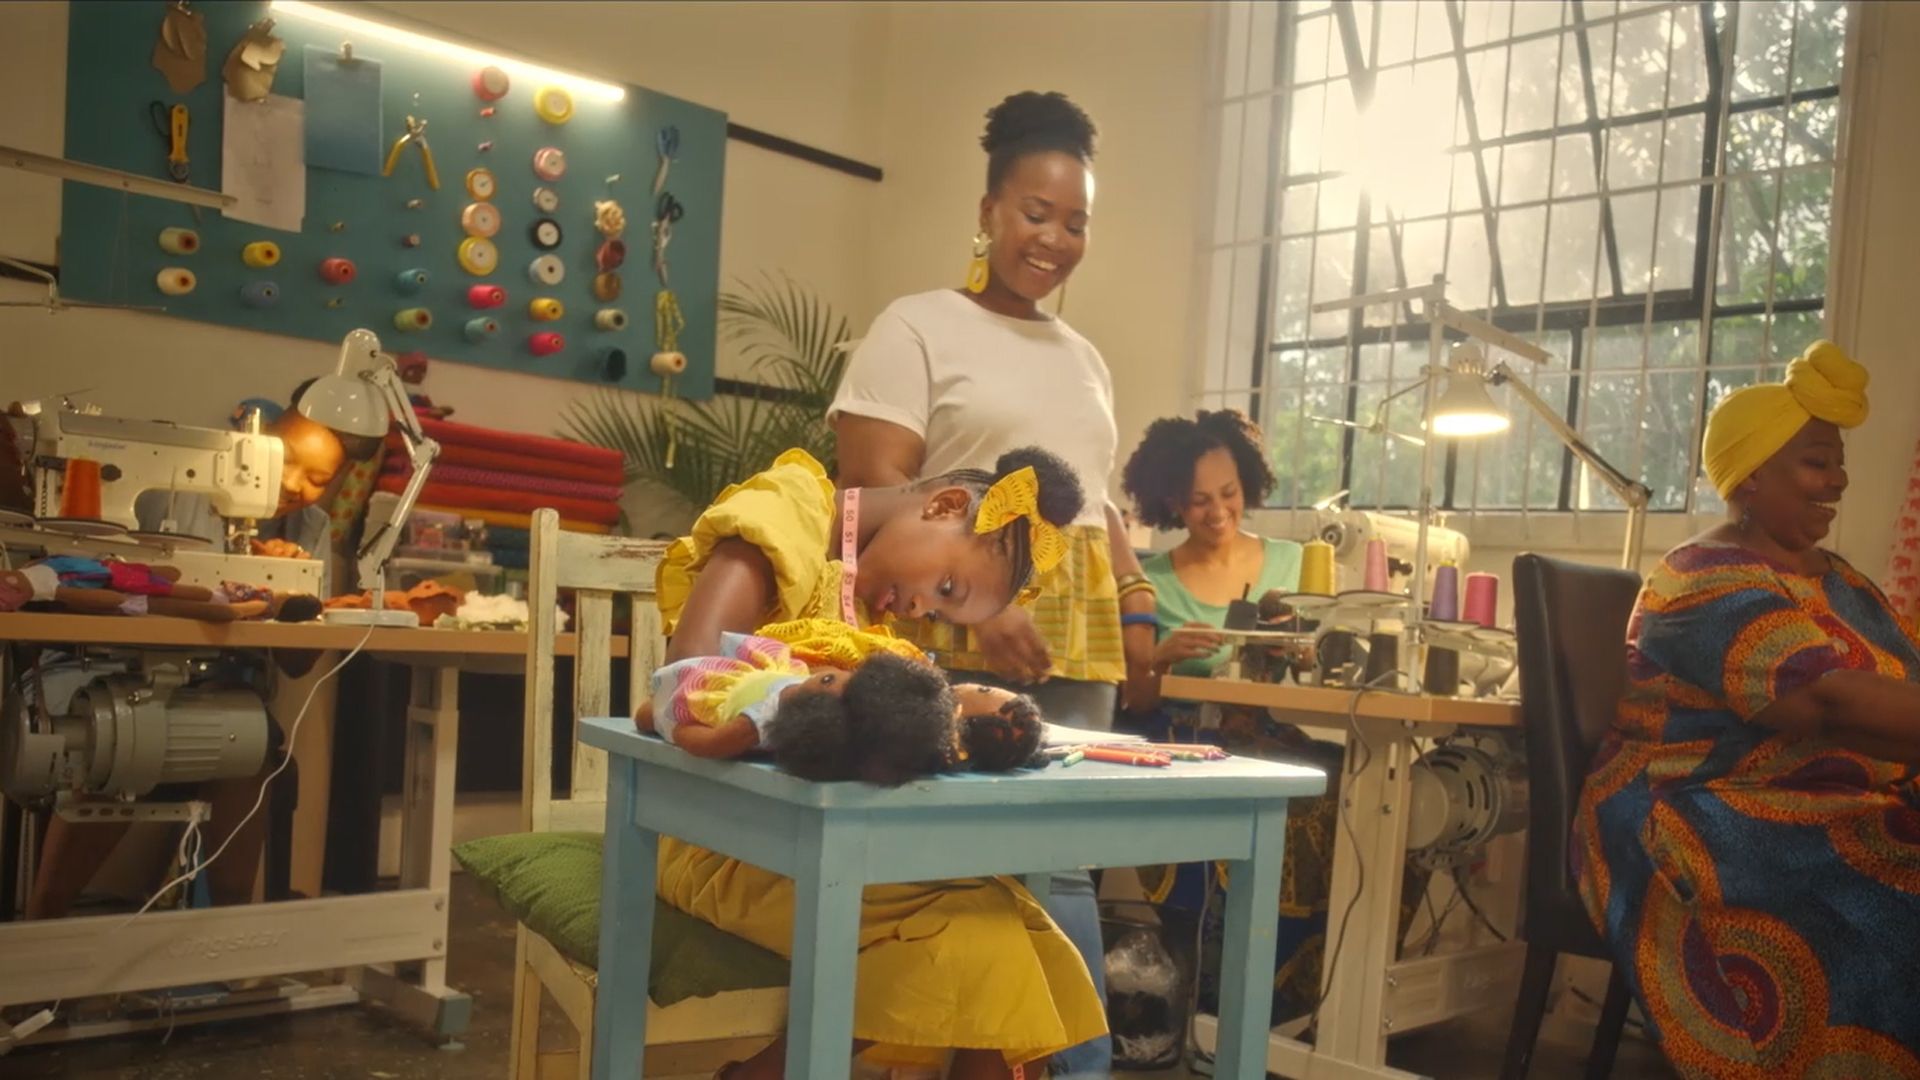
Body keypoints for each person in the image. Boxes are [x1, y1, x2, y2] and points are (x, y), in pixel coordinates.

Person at [830, 90, 1150, 1077]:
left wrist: (1139, 604)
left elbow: (1095, 505)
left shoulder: (1086, 358)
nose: (1054, 238)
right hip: (950, 628)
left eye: (1076, 222)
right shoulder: (916, 326)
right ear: (987, 211)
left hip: (1077, 640)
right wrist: (990, 602)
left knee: (1058, 865)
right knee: (941, 872)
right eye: (1035, 212)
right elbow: (872, 499)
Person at [652, 445, 1105, 1080]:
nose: (921, 611)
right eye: (944, 588)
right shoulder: (783, 517)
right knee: (988, 934)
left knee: (1017, 922)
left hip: (823, 846)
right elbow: (685, 683)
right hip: (721, 837)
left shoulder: (864, 602)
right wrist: (817, 705)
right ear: (945, 505)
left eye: (943, 612)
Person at [1573, 340, 1920, 1076]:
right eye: (1816, 462)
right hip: (1692, 812)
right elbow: (1827, 703)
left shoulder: (1845, 584)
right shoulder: (1703, 579)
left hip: (1820, 802)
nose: (1838, 480)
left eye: (1838, 463)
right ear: (1753, 473)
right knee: (1895, 891)